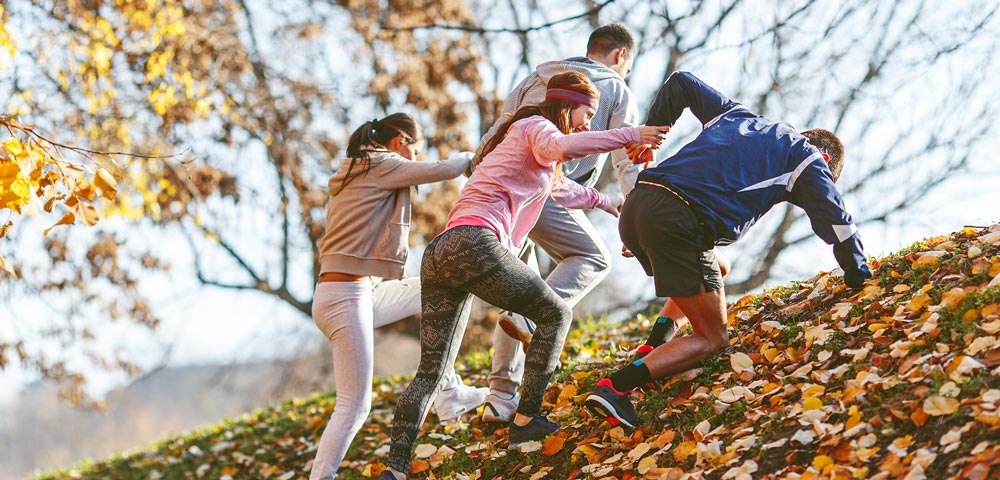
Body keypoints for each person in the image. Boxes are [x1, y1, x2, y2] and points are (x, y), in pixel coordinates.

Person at [379, 72, 669, 480]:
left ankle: (394, 470)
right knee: (556, 315)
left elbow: (565, 191)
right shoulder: (536, 127)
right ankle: (525, 420)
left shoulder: (536, 151)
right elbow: (562, 145)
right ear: (567, 106)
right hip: (478, 243)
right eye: (587, 114)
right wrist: (631, 133)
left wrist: (612, 203)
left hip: (443, 253)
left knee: (431, 372)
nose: (589, 124)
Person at [584, 71, 872, 430]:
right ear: (827, 163)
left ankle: (653, 346)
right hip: (679, 222)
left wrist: (654, 131)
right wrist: (858, 274)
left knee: (718, 267)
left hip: (640, 205)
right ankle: (616, 388)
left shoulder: (739, 116)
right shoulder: (808, 159)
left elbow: (682, 83)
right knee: (713, 338)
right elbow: (839, 223)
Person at [473, 23, 645, 424]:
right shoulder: (615, 89)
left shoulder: (532, 80)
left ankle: (500, 396)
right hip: (546, 189)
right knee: (593, 258)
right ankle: (532, 317)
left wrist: (478, 177)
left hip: (500, 194)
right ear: (620, 56)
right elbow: (628, 161)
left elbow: (494, 134)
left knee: (519, 291)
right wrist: (636, 220)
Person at [309, 113, 487, 480]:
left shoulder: (360, 170)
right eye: (414, 149)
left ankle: (448, 390)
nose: (414, 157)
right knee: (354, 406)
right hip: (347, 298)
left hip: (352, 294)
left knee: (440, 286)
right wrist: (472, 157)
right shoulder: (380, 164)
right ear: (400, 141)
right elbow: (442, 169)